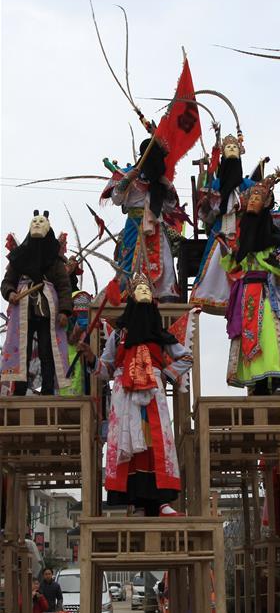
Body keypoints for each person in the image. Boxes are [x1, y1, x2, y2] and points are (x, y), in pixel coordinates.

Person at [78, 273, 193, 516]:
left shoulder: (161, 336)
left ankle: (161, 503)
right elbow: (105, 370)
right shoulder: (118, 336)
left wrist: (166, 374)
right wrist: (90, 357)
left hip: (152, 394)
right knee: (128, 443)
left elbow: (186, 357)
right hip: (124, 394)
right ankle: (138, 504)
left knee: (155, 443)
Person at [222, 174, 280, 395]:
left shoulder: (276, 239)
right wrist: (227, 252)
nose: (253, 201)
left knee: (271, 336)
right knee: (250, 337)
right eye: (251, 197)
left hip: (267, 292)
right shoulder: (242, 241)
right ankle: (259, 383)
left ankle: (279, 379)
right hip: (246, 294)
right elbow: (232, 267)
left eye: (258, 198)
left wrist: (273, 261)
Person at [1, 211, 71, 394]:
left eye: (41, 221)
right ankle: (20, 391)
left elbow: (64, 286)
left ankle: (48, 391)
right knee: (21, 350)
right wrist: (10, 293)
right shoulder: (18, 257)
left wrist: (64, 311)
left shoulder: (55, 260)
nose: (38, 224)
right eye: (35, 221)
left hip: (48, 313)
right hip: (23, 311)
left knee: (46, 351)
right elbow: (7, 282)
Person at [104, 139, 180, 301]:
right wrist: (126, 180)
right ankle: (125, 298)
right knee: (129, 263)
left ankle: (164, 298)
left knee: (164, 263)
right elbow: (117, 199)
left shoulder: (160, 181)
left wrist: (167, 187)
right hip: (134, 224)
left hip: (156, 226)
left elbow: (170, 207)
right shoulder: (128, 173)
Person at [189, 135, 255, 314]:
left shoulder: (250, 185)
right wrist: (209, 205)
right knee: (213, 269)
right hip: (220, 233)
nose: (232, 149)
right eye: (228, 147)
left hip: (242, 233)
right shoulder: (215, 185)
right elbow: (207, 217)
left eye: (235, 147)